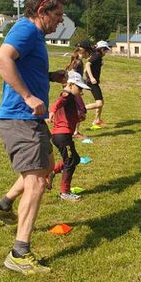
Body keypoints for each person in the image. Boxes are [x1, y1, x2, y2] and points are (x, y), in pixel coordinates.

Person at [0, 0, 68, 274]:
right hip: (20, 118)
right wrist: (28, 96)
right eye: (57, 15)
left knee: (44, 170)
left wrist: (49, 77)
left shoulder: (34, 35)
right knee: (35, 183)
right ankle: (19, 253)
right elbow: (1, 60)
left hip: (30, 119)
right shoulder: (26, 30)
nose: (60, 21)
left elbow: (23, 67)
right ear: (42, 11)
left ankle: (3, 206)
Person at [47, 70, 88, 202]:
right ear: (70, 84)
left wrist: (78, 117)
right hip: (62, 136)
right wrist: (52, 111)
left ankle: (52, 172)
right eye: (79, 87)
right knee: (70, 161)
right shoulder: (68, 94)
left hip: (62, 135)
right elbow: (59, 102)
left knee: (74, 159)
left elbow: (67, 114)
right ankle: (65, 192)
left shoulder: (71, 96)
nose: (81, 91)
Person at [65, 40, 93, 138]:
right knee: (80, 110)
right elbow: (72, 74)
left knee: (76, 110)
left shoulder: (77, 60)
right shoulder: (78, 62)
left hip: (74, 89)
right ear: (84, 51)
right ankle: (74, 132)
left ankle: (73, 131)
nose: (90, 54)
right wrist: (74, 88)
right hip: (73, 90)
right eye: (89, 51)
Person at [83, 40, 111, 127]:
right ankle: (80, 109)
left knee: (101, 101)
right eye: (106, 50)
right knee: (99, 103)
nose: (106, 52)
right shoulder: (97, 56)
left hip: (91, 81)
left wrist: (84, 76)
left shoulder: (96, 55)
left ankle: (97, 120)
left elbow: (86, 67)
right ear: (102, 49)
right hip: (92, 82)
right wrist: (91, 78)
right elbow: (87, 65)